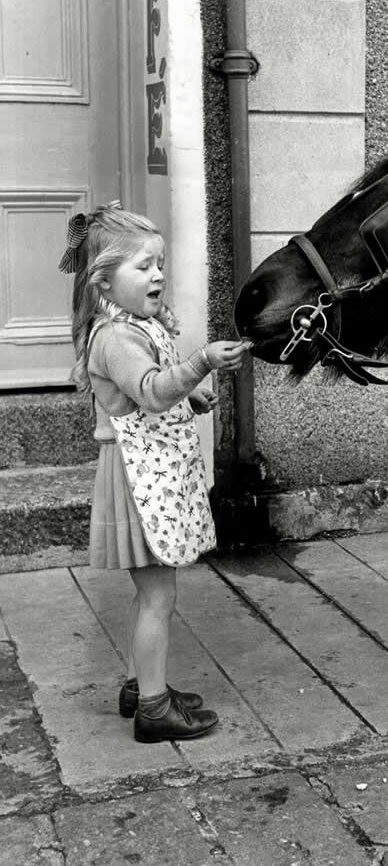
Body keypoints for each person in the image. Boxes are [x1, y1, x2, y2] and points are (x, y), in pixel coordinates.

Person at [60, 202, 250, 743]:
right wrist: (202, 364)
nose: (158, 275)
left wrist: (192, 398)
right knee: (158, 598)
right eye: (143, 266)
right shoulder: (116, 337)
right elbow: (147, 390)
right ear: (103, 282)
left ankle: (139, 684)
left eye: (160, 263)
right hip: (137, 482)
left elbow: (157, 393)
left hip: (150, 474)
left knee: (151, 596)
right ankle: (153, 708)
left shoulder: (138, 326)